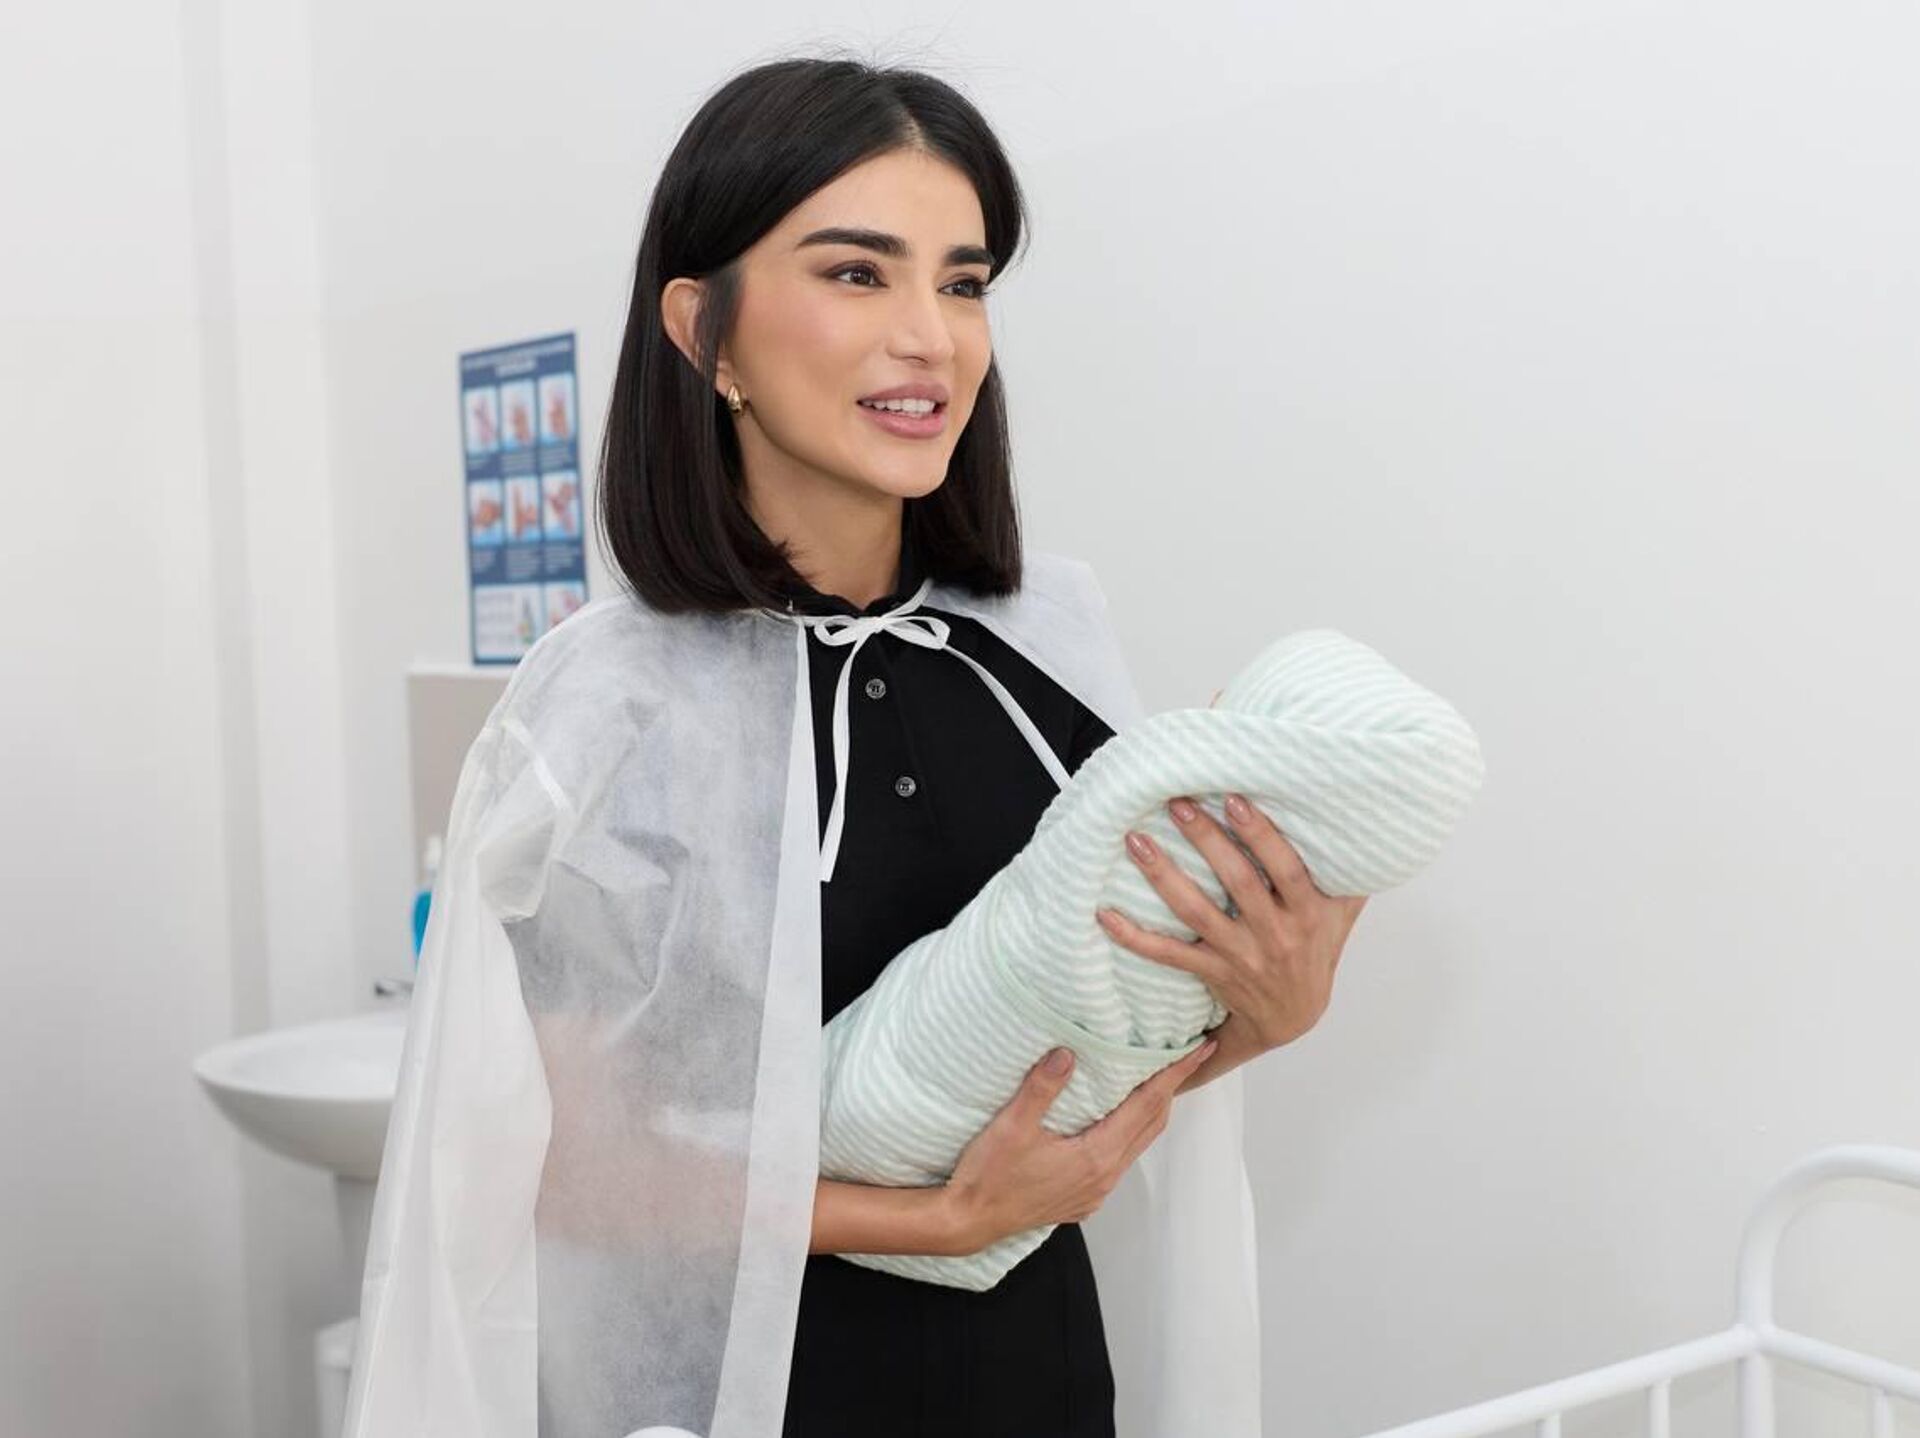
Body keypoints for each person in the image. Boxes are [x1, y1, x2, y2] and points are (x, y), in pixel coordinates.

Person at [343, 53, 1364, 1438]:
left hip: (1042, 1383)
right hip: (757, 1398)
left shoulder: (1047, 646)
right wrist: (929, 1220)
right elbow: (559, 1161)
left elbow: (1095, 1055)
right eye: (856, 273)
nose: (931, 337)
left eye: (963, 282)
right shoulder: (607, 706)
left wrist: (1265, 1016)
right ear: (705, 331)